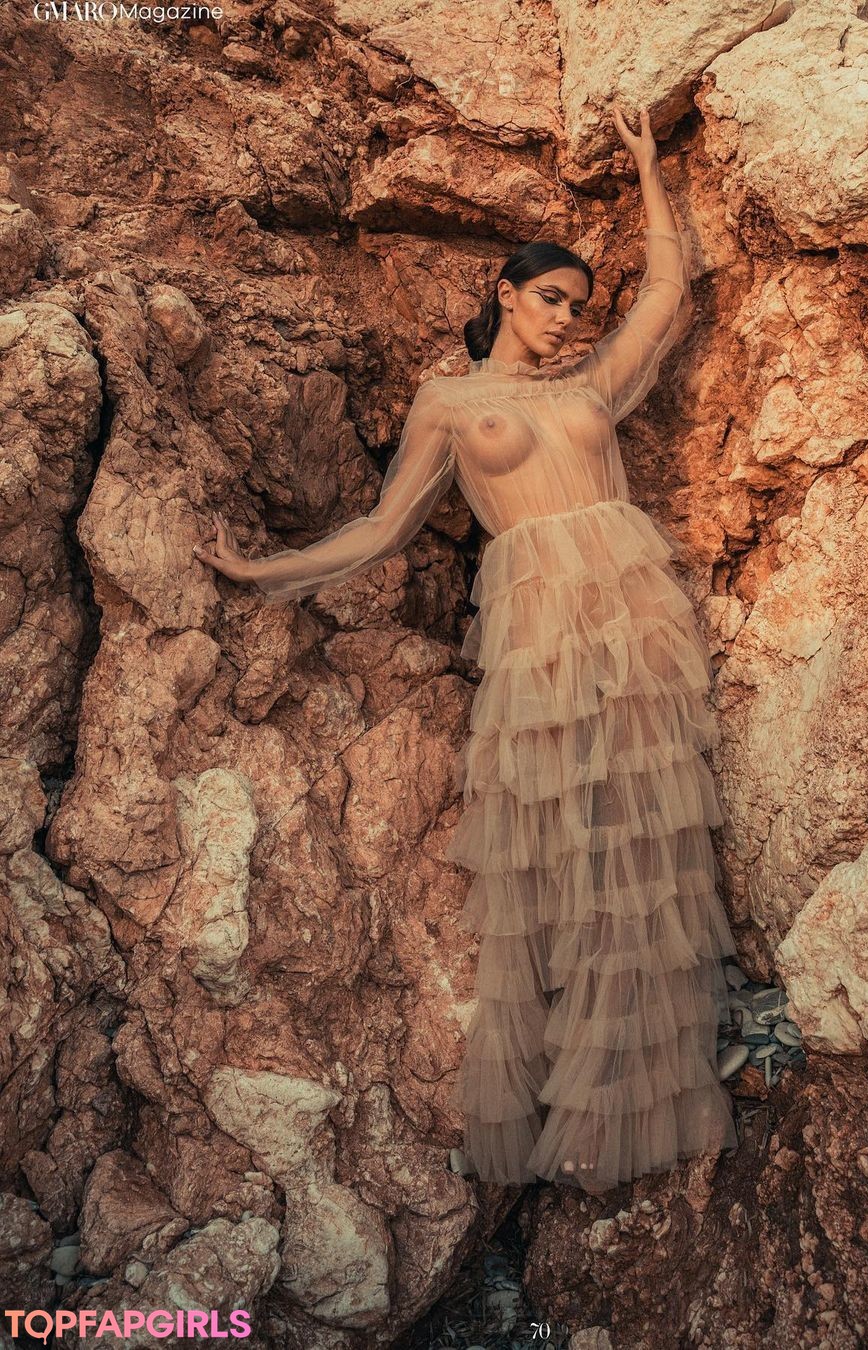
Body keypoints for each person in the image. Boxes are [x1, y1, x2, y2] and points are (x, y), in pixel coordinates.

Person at [194, 105, 739, 1195]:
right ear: (507, 292)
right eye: (553, 298)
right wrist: (265, 570)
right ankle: (577, 1096)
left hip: (632, 622)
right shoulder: (450, 401)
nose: (569, 319)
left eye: (579, 305)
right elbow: (384, 526)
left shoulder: (591, 383)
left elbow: (669, 293)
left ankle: (650, 1087)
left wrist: (647, 168)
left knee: (645, 845)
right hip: (538, 632)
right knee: (568, 852)